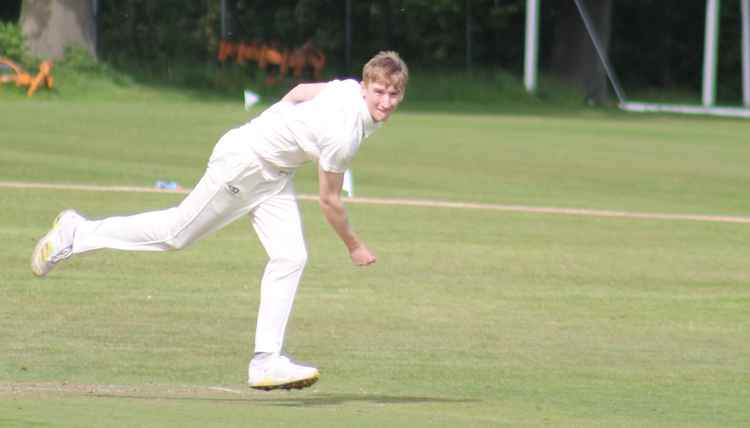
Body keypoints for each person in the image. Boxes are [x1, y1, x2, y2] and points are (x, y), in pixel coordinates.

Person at [30, 51, 409, 391]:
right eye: (379, 92)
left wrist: (274, 128)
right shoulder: (344, 135)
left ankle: (265, 363)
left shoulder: (343, 88)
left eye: (394, 95)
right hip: (244, 165)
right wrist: (354, 246)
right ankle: (76, 232)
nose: (385, 102)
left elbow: (297, 92)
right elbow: (329, 201)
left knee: (291, 257)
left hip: (274, 175)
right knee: (174, 234)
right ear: (365, 87)